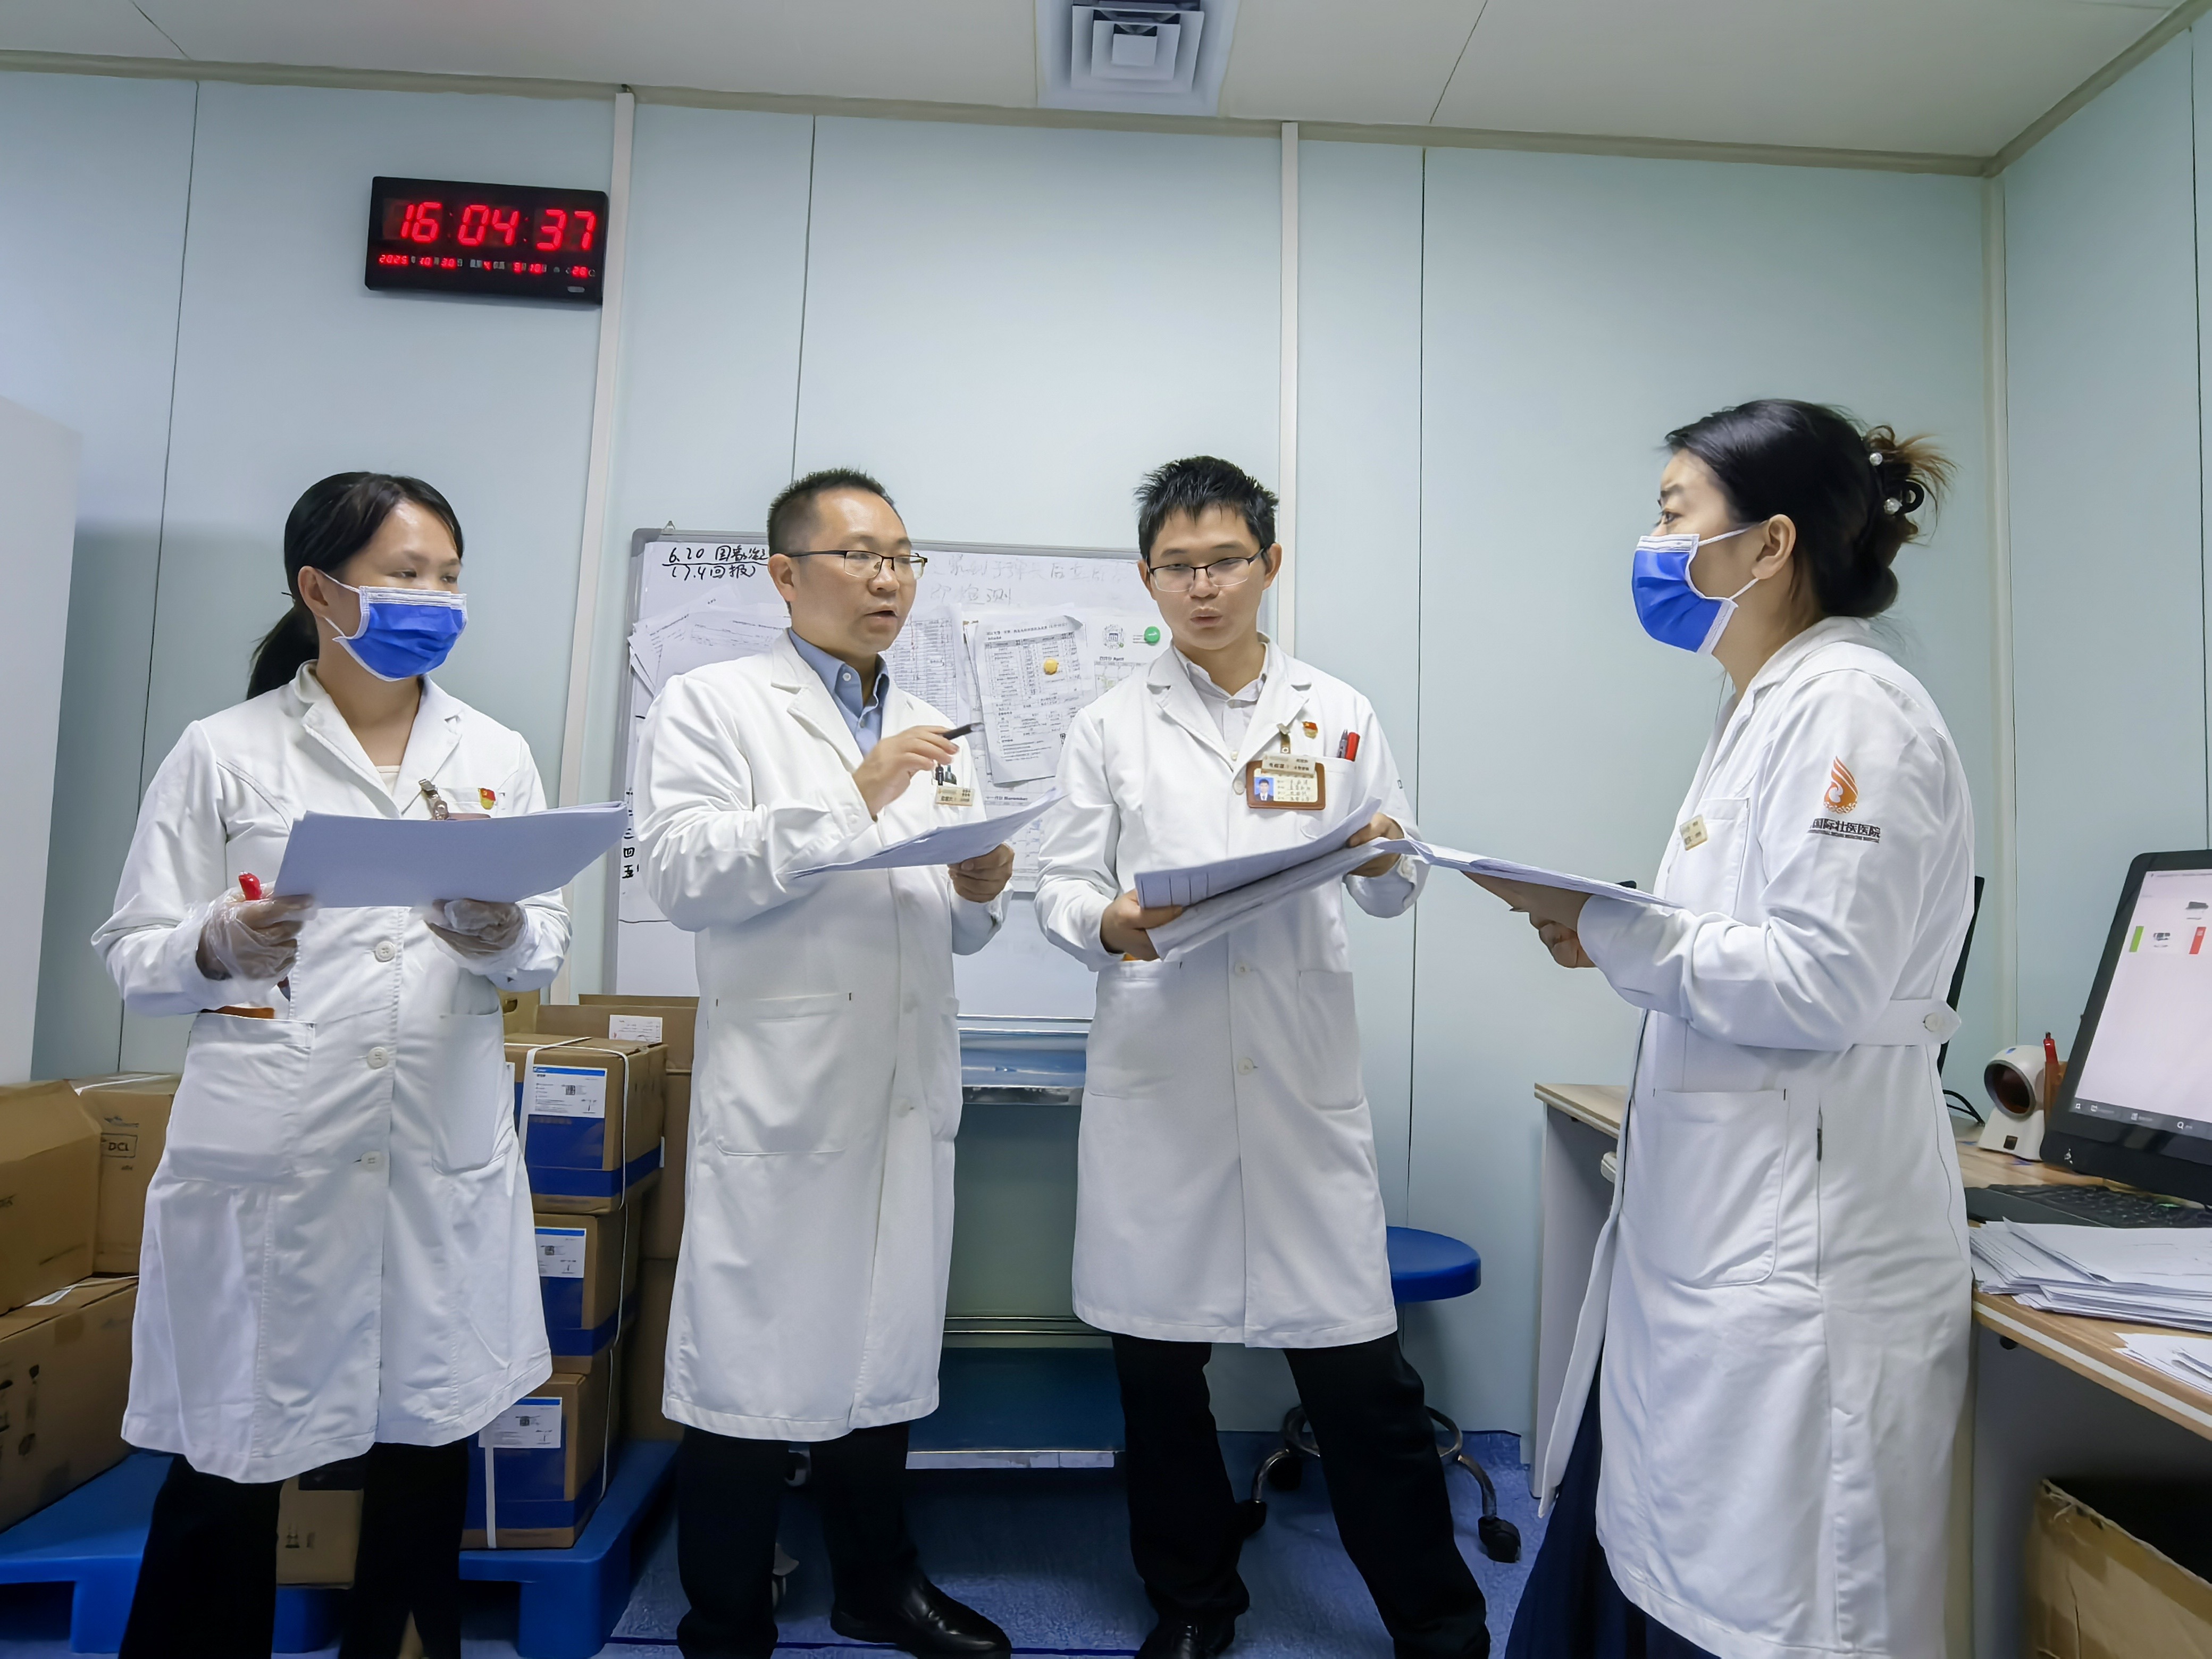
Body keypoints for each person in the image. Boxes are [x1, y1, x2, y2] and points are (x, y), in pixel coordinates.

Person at [1482, 401, 1975, 1659]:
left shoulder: (1850, 708)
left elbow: (1817, 983)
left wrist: (1607, 927)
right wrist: (1610, 933)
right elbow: (1739, 946)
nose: (1650, 544)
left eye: (1671, 513)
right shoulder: (1760, 706)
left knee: (1780, 1605)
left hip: (1806, 1268)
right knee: (1672, 1565)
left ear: (1770, 544)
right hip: (1728, 1236)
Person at [95, 473, 568, 1659]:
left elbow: (543, 946)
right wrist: (220, 943)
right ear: (320, 588)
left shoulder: (493, 752)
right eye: (406, 575)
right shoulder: (224, 750)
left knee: (423, 1448)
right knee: (232, 1457)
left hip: (432, 1151)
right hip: (276, 1156)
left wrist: (494, 924)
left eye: (449, 577)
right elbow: (134, 952)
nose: (435, 599)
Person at [1034, 456, 1490, 1659]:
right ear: (1147, 577)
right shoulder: (1108, 724)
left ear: (1269, 565)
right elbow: (1061, 887)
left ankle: (1440, 1627)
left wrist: (1387, 852)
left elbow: (1392, 885)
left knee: (1364, 1386)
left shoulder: (1337, 711)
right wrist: (1107, 922)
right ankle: (1194, 1607)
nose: (1203, 587)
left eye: (1226, 562)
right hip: (1163, 1084)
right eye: (1178, 566)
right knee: (1159, 1385)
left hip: (1296, 1088)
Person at [633, 468, 1018, 1659]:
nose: (887, 579)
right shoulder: (712, 705)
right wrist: (854, 792)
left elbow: (954, 923)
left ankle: (876, 1586)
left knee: (883, 1351)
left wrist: (980, 884)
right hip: (783, 1094)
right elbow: (683, 874)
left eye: (901, 556)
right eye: (860, 555)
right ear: (786, 574)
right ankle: (724, 1618)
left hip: (901, 1086)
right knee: (748, 1365)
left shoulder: (938, 723)